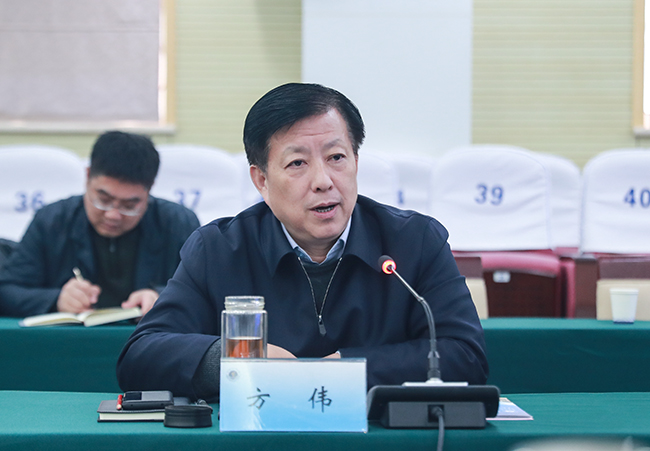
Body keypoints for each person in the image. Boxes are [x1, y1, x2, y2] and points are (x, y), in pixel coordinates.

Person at [117, 83, 488, 399]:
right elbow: (141, 356)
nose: (323, 181)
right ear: (261, 180)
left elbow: (465, 355)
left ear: (356, 162)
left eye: (336, 157)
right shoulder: (217, 249)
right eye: (297, 163)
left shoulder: (415, 241)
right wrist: (239, 359)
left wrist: (347, 369)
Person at [0, 131, 200, 317]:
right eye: (103, 200)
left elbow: (204, 291)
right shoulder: (52, 221)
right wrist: (56, 300)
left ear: (149, 190)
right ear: (87, 176)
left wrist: (162, 297)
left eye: (130, 205)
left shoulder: (178, 223)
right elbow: (7, 290)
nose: (113, 215)